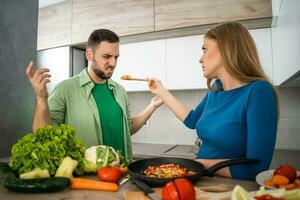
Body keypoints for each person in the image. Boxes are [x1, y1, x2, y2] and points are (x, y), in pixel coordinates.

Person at [148, 22, 278, 180]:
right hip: (201, 180)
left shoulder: (259, 91)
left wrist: (198, 165)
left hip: (229, 187)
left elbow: (256, 168)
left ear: (226, 49)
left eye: (205, 49)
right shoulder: (216, 89)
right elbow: (192, 120)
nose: (200, 59)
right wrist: (161, 91)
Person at [26, 29, 163, 161]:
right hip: (90, 178)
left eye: (116, 57)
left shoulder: (119, 91)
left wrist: (152, 105)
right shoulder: (65, 89)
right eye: (107, 56)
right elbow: (43, 134)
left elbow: (127, 128)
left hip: (123, 173)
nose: (113, 63)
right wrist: (41, 98)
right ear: (89, 55)